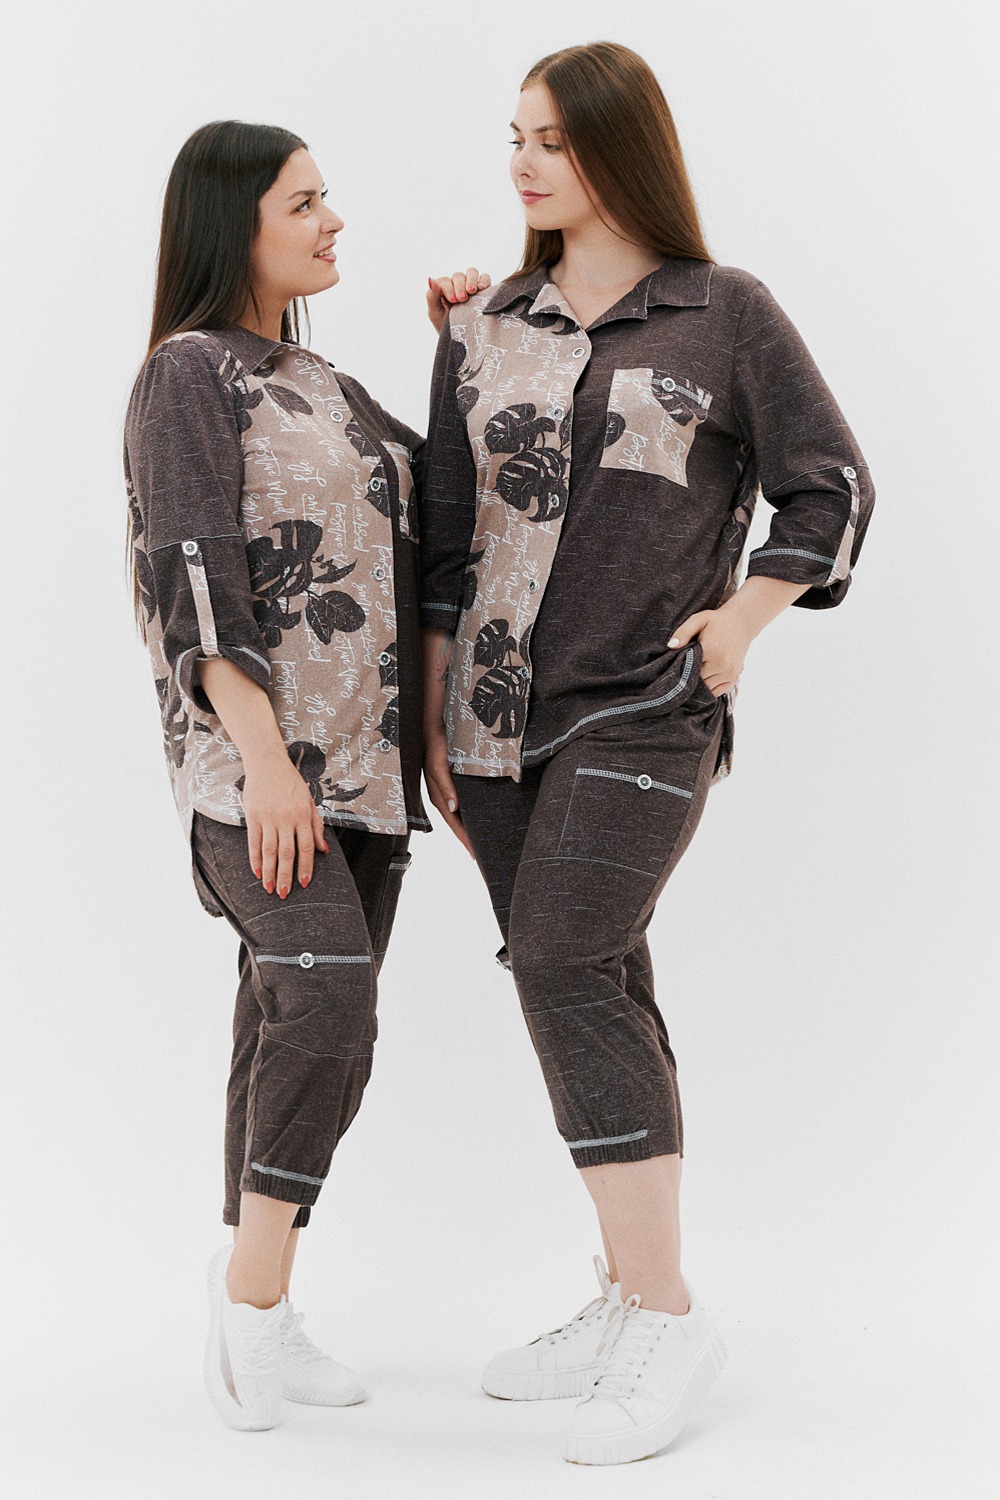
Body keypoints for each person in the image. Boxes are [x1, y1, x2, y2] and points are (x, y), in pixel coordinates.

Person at [421, 43, 875, 1467]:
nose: (523, 162)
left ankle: (669, 1317)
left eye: (553, 139)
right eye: (515, 136)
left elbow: (831, 484)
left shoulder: (723, 312)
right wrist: (433, 711)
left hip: (644, 706)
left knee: (563, 961)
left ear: (622, 148)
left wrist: (743, 619)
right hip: (493, 724)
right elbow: (446, 537)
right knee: (594, 976)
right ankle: (626, 1290)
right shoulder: (485, 321)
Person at [125, 120, 483, 1432]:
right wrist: (267, 762)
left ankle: (257, 1310)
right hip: (258, 772)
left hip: (368, 778)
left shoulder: (324, 381)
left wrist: (459, 348)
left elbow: (443, 508)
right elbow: (194, 570)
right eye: (306, 203)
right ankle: (253, 1302)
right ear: (237, 224)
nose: (334, 223)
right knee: (328, 1002)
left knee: (294, 1021)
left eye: (328, 199)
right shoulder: (188, 374)